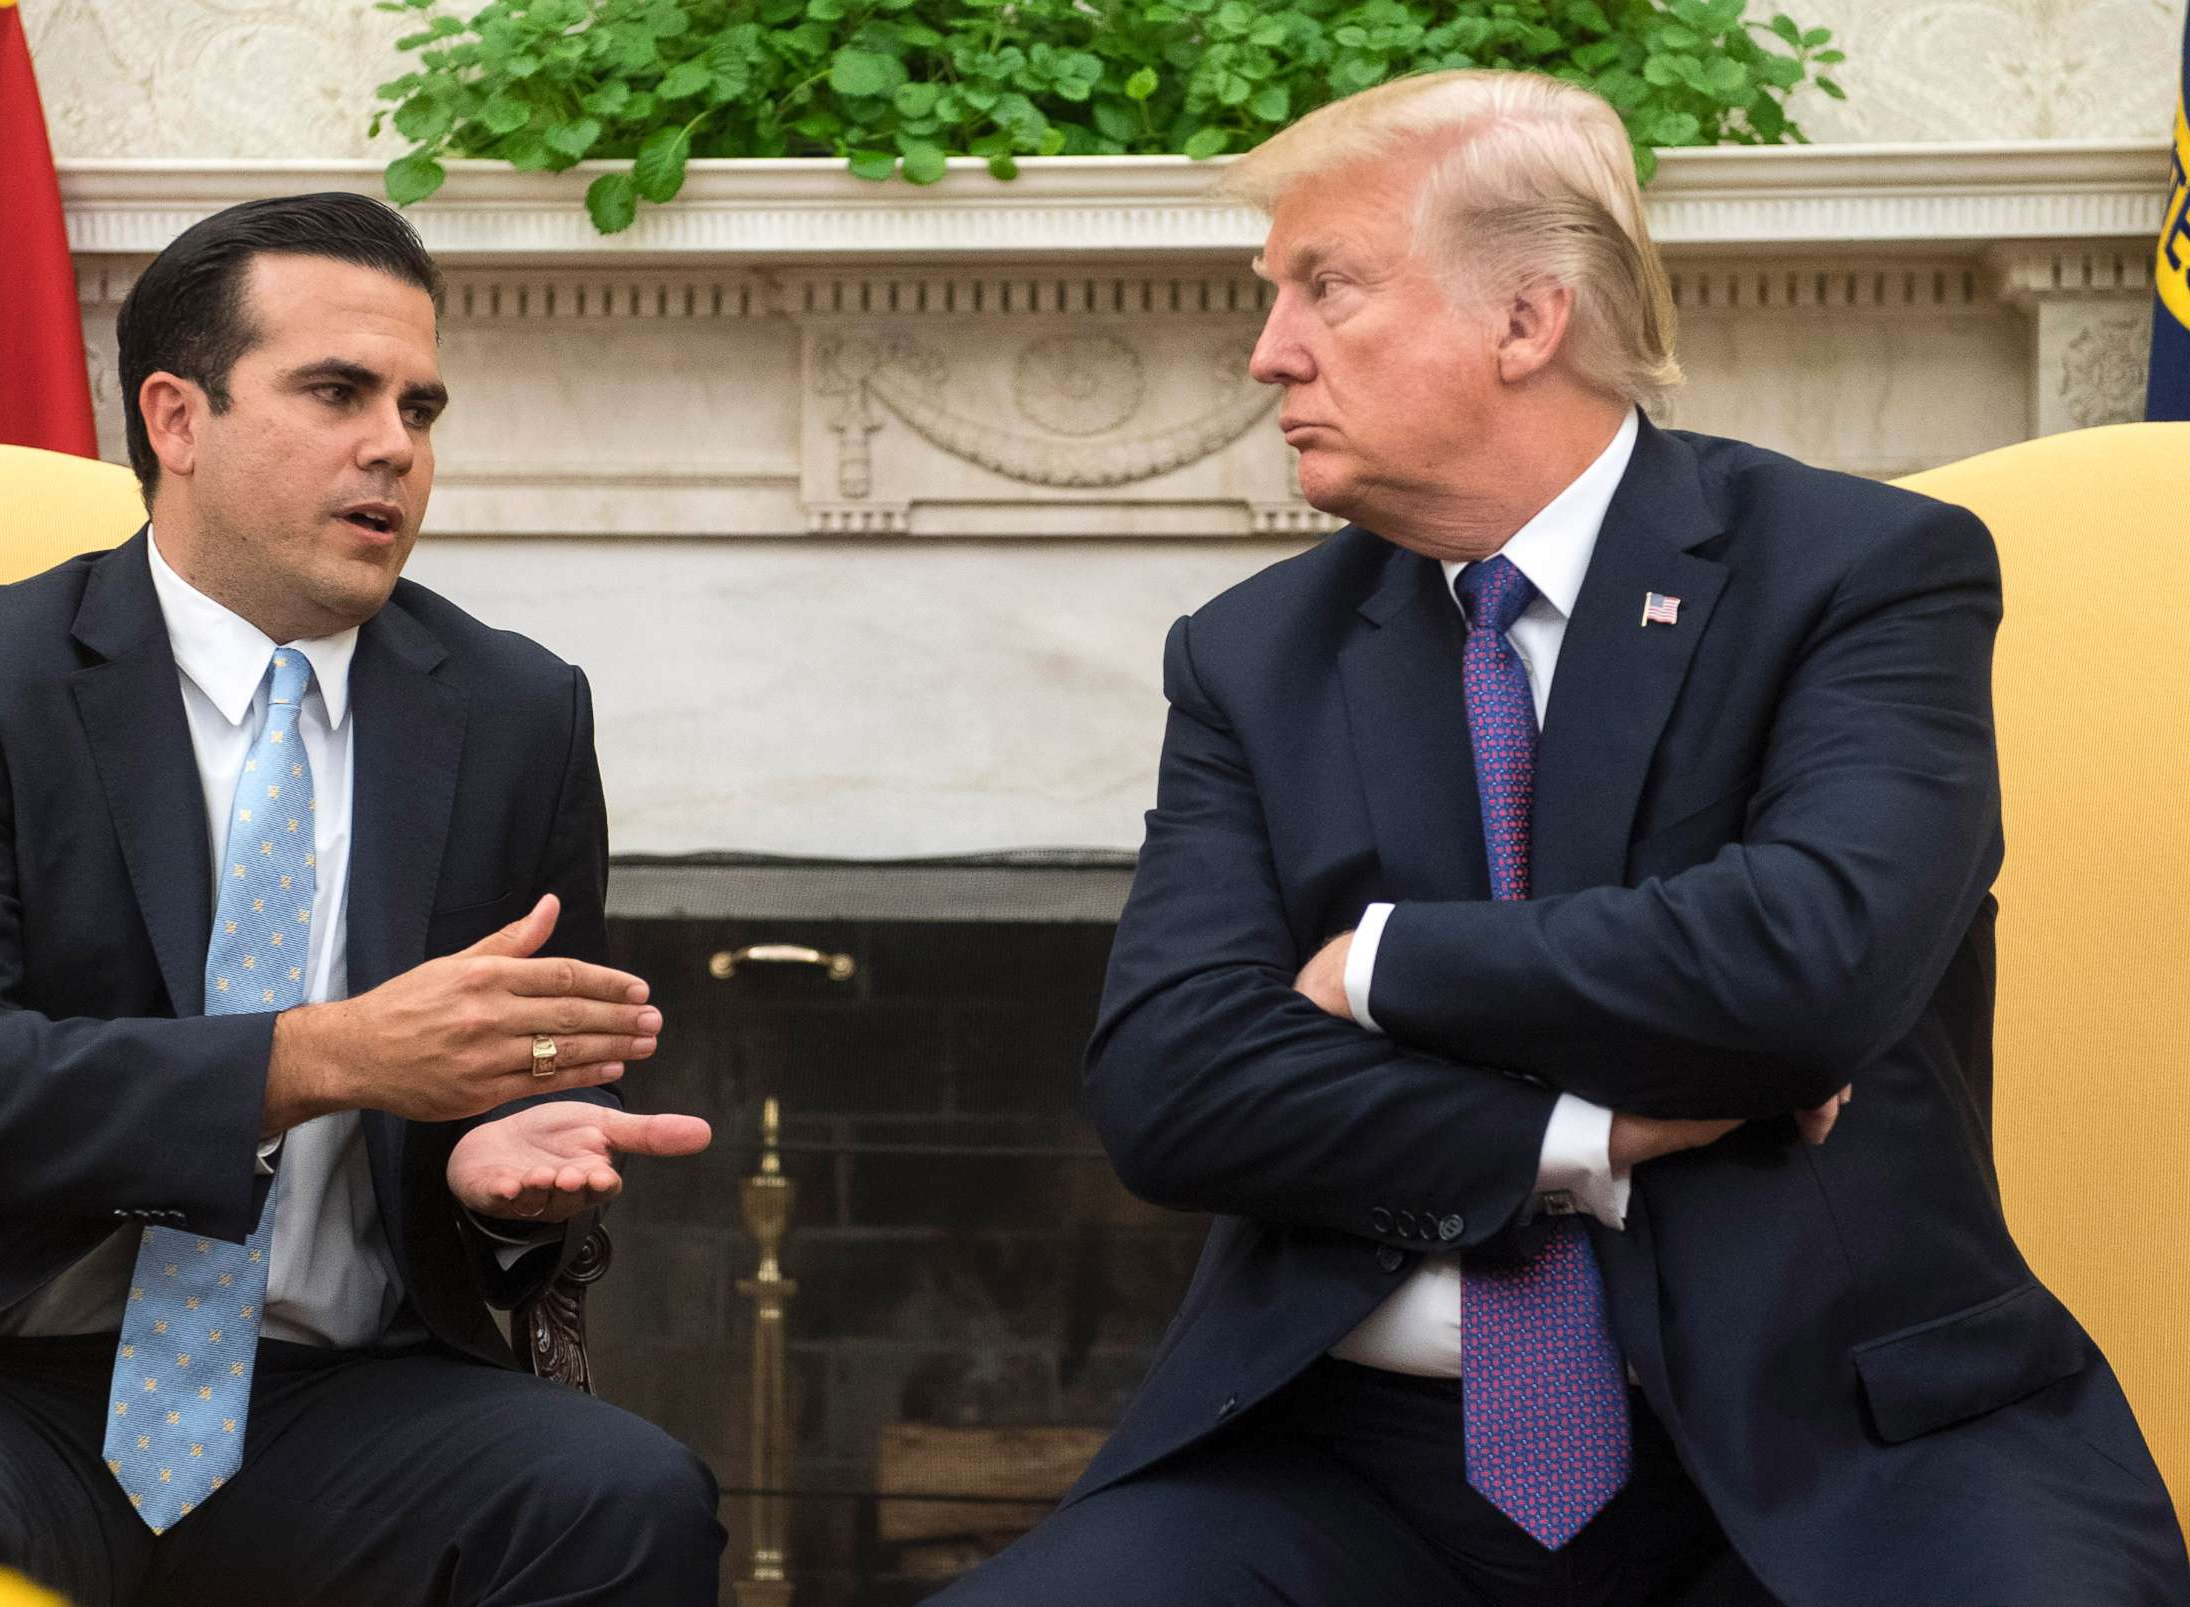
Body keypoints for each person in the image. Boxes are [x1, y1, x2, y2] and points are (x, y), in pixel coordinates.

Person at [933, 70, 2190, 1607]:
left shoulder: (1860, 574)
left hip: (1839, 1437)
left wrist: (1376, 967)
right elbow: (1172, 1086)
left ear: (1526, 322)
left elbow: (1808, 965)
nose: (1267, 354)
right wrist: (1584, 1137)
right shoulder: (1254, 657)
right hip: (1348, 1456)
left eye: (1326, 287)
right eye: (1273, 297)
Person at [0, 192, 726, 1607]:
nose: (394, 448)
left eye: (421, 408)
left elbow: (512, 1089)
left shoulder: (514, 710)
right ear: (176, 419)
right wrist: (323, 1060)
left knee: (620, 1497)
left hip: (340, 1394)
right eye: (339, 393)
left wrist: (501, 1192)